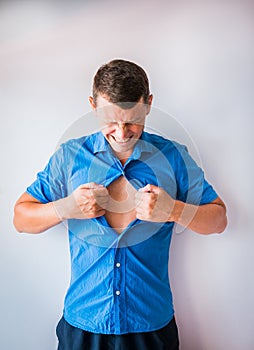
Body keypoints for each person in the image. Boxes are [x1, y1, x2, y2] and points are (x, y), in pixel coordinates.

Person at [13, 59, 227, 350]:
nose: (121, 133)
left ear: (149, 104)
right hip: (83, 326)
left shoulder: (173, 157)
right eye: (110, 121)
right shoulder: (69, 156)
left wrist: (173, 210)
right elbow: (20, 218)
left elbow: (218, 220)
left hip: (151, 328)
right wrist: (66, 208)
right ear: (93, 106)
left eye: (132, 120)